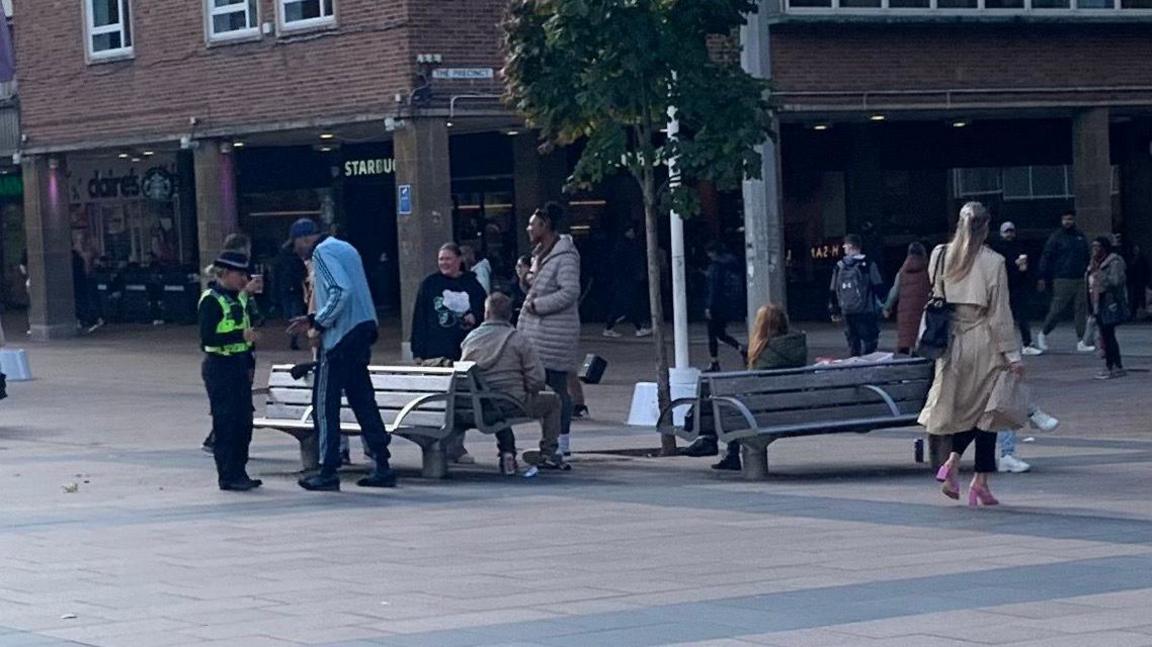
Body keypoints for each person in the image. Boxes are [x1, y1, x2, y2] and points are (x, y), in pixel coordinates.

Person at [919, 202, 1023, 507]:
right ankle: (975, 477)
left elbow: (935, 291)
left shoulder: (940, 255)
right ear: (987, 226)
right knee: (988, 413)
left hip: (950, 341)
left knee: (964, 410)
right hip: (983, 340)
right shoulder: (994, 262)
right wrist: (1013, 355)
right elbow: (1000, 313)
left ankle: (963, 470)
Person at [285, 219, 397, 491]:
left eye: (296, 245)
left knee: (324, 403)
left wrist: (319, 322)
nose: (297, 251)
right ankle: (382, 463)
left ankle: (328, 468)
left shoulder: (322, 253)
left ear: (304, 239)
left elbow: (340, 291)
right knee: (362, 399)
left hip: (341, 337)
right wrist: (312, 318)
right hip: (363, 328)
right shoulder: (345, 247)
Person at [460, 292, 569, 473]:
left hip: (477, 404)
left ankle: (507, 451)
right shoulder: (518, 339)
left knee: (497, 402)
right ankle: (549, 453)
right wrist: (531, 390)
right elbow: (537, 380)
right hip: (512, 402)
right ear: (510, 315)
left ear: (486, 313)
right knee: (553, 401)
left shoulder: (471, 338)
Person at [518, 203, 582, 457]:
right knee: (543, 387)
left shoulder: (565, 255)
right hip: (537, 332)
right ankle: (550, 439)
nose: (529, 228)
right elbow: (539, 286)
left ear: (545, 226)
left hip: (556, 332)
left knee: (556, 386)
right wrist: (525, 278)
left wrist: (537, 306)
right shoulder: (540, 253)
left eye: (533, 224)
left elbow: (569, 291)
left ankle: (561, 441)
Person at [713, 304, 808, 472]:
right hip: (796, 408)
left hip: (766, 412)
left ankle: (725, 451)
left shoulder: (765, 352)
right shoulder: (797, 345)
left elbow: (753, 384)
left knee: (730, 406)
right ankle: (719, 447)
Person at [198, 251, 262, 491]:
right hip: (220, 366)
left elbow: (254, 320)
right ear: (224, 274)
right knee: (226, 422)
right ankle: (227, 475)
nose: (244, 278)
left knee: (243, 421)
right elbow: (207, 339)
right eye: (239, 274)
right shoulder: (211, 300)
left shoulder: (240, 297)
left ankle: (240, 470)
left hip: (239, 365)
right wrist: (240, 336)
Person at [410, 243, 488, 365]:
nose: (444, 263)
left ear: (459, 260)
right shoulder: (429, 284)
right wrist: (417, 351)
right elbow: (419, 318)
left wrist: (475, 316)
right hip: (435, 351)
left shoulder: (472, 284)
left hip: (465, 349)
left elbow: (484, 312)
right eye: (441, 259)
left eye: (448, 259)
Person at [1037, 211, 1092, 353]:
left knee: (1081, 310)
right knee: (1057, 309)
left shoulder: (1079, 236)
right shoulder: (1056, 237)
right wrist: (1042, 276)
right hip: (1062, 277)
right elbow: (1046, 256)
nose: (1068, 222)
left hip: (1079, 277)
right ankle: (1043, 333)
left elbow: (1086, 254)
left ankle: (1081, 340)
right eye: (1065, 219)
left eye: (1070, 219)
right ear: (1061, 220)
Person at [829, 234, 885, 357]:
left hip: (847, 309)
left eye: (845, 245)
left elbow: (833, 289)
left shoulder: (840, 266)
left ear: (850, 246)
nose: (843, 247)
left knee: (853, 343)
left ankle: (854, 367)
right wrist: (883, 305)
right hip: (866, 309)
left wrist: (834, 309)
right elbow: (878, 286)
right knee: (869, 341)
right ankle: (867, 366)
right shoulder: (868, 264)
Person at [1088, 236, 1129, 380]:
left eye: (1098, 246)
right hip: (1097, 300)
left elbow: (1117, 280)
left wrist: (1100, 277)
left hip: (1109, 301)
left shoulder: (1114, 261)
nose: (1095, 250)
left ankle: (1112, 366)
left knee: (1108, 334)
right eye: (1093, 246)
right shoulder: (1094, 262)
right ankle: (1114, 365)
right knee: (1104, 335)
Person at [602, 224, 651, 338]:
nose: (633, 233)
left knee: (624, 304)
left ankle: (613, 326)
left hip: (623, 280)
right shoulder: (624, 246)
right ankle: (636, 328)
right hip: (625, 281)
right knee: (627, 304)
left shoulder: (622, 245)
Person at [883, 242, 931, 356]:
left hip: (905, 310)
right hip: (922, 308)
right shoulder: (928, 271)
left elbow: (894, 291)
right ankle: (919, 354)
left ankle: (905, 354)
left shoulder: (902, 272)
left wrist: (887, 307)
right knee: (921, 332)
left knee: (906, 333)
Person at [704, 241, 746, 372]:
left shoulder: (715, 267)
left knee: (712, 334)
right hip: (727, 304)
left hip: (715, 305)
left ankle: (714, 361)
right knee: (720, 333)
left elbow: (713, 289)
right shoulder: (730, 265)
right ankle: (740, 348)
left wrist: (709, 306)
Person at [274, 241, 308, 350]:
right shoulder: (296, 259)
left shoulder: (281, 259)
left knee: (289, 313)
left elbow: (276, 274)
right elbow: (303, 272)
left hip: (285, 288)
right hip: (295, 288)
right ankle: (293, 337)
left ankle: (292, 336)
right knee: (295, 313)